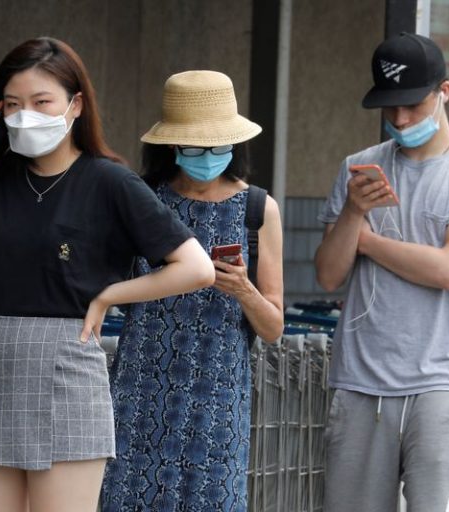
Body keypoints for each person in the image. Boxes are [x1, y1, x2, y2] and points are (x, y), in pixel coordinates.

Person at [0, 38, 215, 512]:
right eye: (13, 106)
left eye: (42, 103)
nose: (26, 116)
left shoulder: (109, 181)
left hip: (67, 366)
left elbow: (197, 267)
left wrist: (107, 297)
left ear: (75, 104)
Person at [314, 32, 449, 512]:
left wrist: (368, 240)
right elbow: (328, 275)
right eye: (389, 108)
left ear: (443, 92)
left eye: (412, 105)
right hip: (359, 377)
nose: (400, 120)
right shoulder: (358, 168)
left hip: (438, 380)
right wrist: (353, 214)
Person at [101, 70, 284, 511]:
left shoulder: (259, 208)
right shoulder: (142, 198)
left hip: (218, 400)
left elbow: (274, 326)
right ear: (170, 145)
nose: (207, 157)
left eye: (219, 146)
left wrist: (244, 290)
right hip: (139, 390)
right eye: (194, 147)